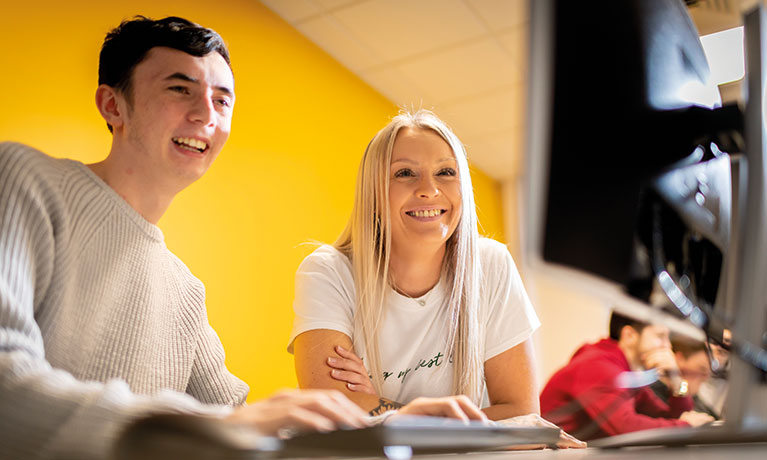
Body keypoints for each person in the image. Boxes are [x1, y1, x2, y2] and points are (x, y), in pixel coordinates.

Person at [0, 17, 467, 459]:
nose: (206, 114)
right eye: (180, 89)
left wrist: (389, 424)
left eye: (222, 100)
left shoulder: (183, 290)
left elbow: (239, 420)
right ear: (112, 105)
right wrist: (217, 425)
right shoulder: (24, 180)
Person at [289, 109, 585, 447]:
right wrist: (471, 425)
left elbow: (520, 412)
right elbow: (331, 411)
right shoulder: (328, 271)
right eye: (404, 173)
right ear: (372, 193)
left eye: (445, 172)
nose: (429, 190)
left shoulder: (492, 265)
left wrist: (380, 410)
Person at [539, 311, 715, 440]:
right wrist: (687, 426)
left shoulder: (626, 370)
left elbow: (672, 416)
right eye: (660, 337)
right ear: (630, 335)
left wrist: (677, 383)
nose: (667, 346)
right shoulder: (598, 365)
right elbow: (625, 427)